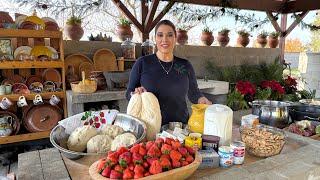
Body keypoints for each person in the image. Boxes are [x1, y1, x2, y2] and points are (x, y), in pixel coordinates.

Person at [126, 19, 212, 126]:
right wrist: (135, 94)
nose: (164, 39)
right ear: (155, 39)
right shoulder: (142, 63)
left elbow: (193, 92)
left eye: (170, 35)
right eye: (160, 35)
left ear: (175, 38)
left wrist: (201, 99)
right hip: (151, 128)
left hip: (180, 128)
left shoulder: (185, 65)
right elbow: (128, 93)